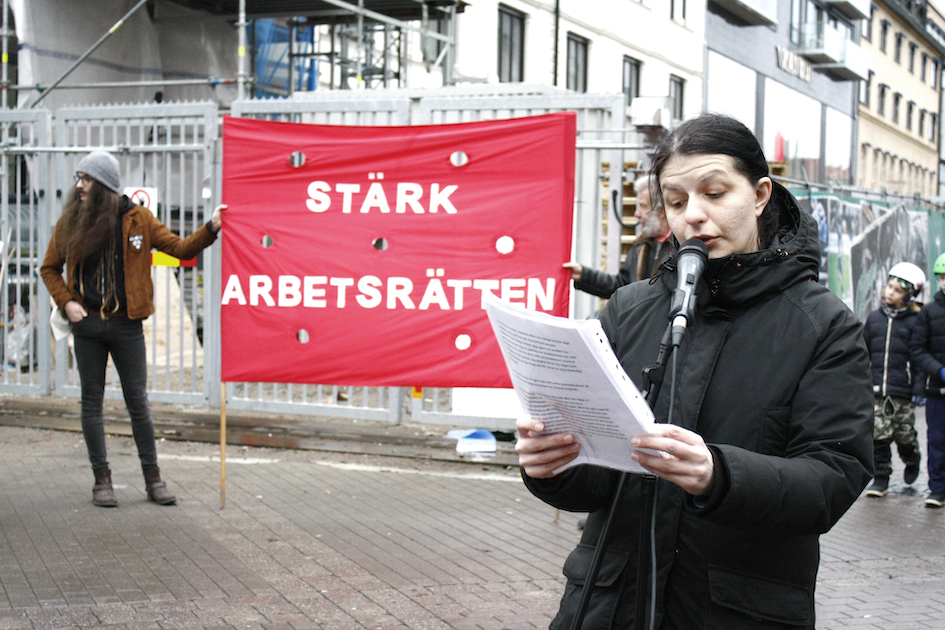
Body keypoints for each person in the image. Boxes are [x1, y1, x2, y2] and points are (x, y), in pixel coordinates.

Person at [516, 114, 873, 628]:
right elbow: (598, 480)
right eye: (678, 201)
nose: (695, 218)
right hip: (608, 606)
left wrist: (718, 475)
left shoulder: (823, 325)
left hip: (737, 610)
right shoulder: (627, 309)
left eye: (715, 193)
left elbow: (833, 479)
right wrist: (553, 466)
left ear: (759, 194)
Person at [40, 150, 225, 508]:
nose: (79, 185)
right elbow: (49, 267)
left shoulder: (139, 219)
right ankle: (101, 480)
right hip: (89, 326)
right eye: (79, 178)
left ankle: (153, 479)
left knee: (137, 403)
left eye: (86, 179)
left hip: (126, 326)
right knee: (91, 403)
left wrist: (211, 228)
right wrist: (67, 302)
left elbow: (180, 248)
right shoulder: (71, 222)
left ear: (104, 185)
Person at [863, 262, 926, 498]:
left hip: (902, 390)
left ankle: (912, 458)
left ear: (909, 295)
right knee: (879, 436)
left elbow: (918, 359)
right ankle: (881, 478)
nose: (890, 292)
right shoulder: (875, 319)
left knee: (903, 434)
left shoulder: (914, 322)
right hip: (877, 389)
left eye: (897, 290)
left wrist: (918, 388)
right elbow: (863, 351)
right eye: (889, 287)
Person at [564, 174, 673, 298]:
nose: (637, 214)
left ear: (661, 211)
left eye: (642, 206)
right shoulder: (640, 246)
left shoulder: (681, 249)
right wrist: (583, 275)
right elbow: (621, 287)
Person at [910, 252, 945, 508]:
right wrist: (939, 370)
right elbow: (918, 350)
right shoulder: (929, 313)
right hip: (937, 392)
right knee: (937, 442)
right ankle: (937, 489)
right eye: (942, 278)